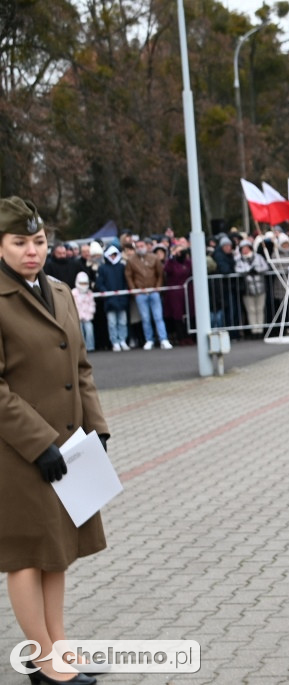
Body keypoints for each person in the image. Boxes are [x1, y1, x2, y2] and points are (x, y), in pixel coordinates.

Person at [0, 197, 108, 685]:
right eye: (19, 242)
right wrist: (39, 441)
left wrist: (97, 428)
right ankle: (43, 663)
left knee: (57, 551)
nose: (31, 251)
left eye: (38, 241)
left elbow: (81, 368)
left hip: (67, 447)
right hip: (17, 453)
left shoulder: (60, 291)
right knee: (25, 556)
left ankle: (59, 650)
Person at [124, 237, 172, 350]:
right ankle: (149, 339)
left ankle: (163, 339)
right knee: (145, 318)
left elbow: (160, 274)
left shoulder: (154, 258)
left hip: (153, 291)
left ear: (146, 246)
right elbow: (129, 276)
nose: (140, 248)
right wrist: (134, 291)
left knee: (158, 317)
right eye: (138, 246)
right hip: (140, 293)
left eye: (142, 246)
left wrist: (158, 287)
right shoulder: (131, 260)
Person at [96, 244, 130, 351]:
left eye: (115, 255)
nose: (113, 257)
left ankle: (122, 340)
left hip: (121, 299)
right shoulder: (102, 268)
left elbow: (126, 282)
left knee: (122, 322)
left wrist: (124, 294)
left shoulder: (122, 267)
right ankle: (115, 342)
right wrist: (106, 294)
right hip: (110, 300)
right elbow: (100, 284)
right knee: (112, 323)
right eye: (111, 255)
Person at [234, 239, 270, 337]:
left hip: (260, 287)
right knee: (251, 310)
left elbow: (266, 267)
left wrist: (257, 270)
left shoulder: (258, 257)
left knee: (260, 308)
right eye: (243, 249)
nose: (245, 250)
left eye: (247, 248)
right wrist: (248, 271)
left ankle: (260, 329)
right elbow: (237, 269)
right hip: (248, 289)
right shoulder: (239, 259)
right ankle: (254, 330)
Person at [162, 241, 193, 345]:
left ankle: (190, 336)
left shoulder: (188, 262)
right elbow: (167, 270)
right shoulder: (171, 263)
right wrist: (171, 257)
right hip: (175, 294)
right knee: (177, 315)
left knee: (189, 313)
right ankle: (181, 337)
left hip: (187, 292)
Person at [71, 272, 96, 352]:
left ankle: (90, 346)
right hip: (77, 317)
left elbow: (92, 305)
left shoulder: (89, 293)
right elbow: (72, 306)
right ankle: (80, 347)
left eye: (85, 283)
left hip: (87, 317)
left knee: (89, 329)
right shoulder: (73, 293)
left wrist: (89, 315)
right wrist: (77, 316)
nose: (83, 285)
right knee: (79, 332)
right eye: (81, 283)